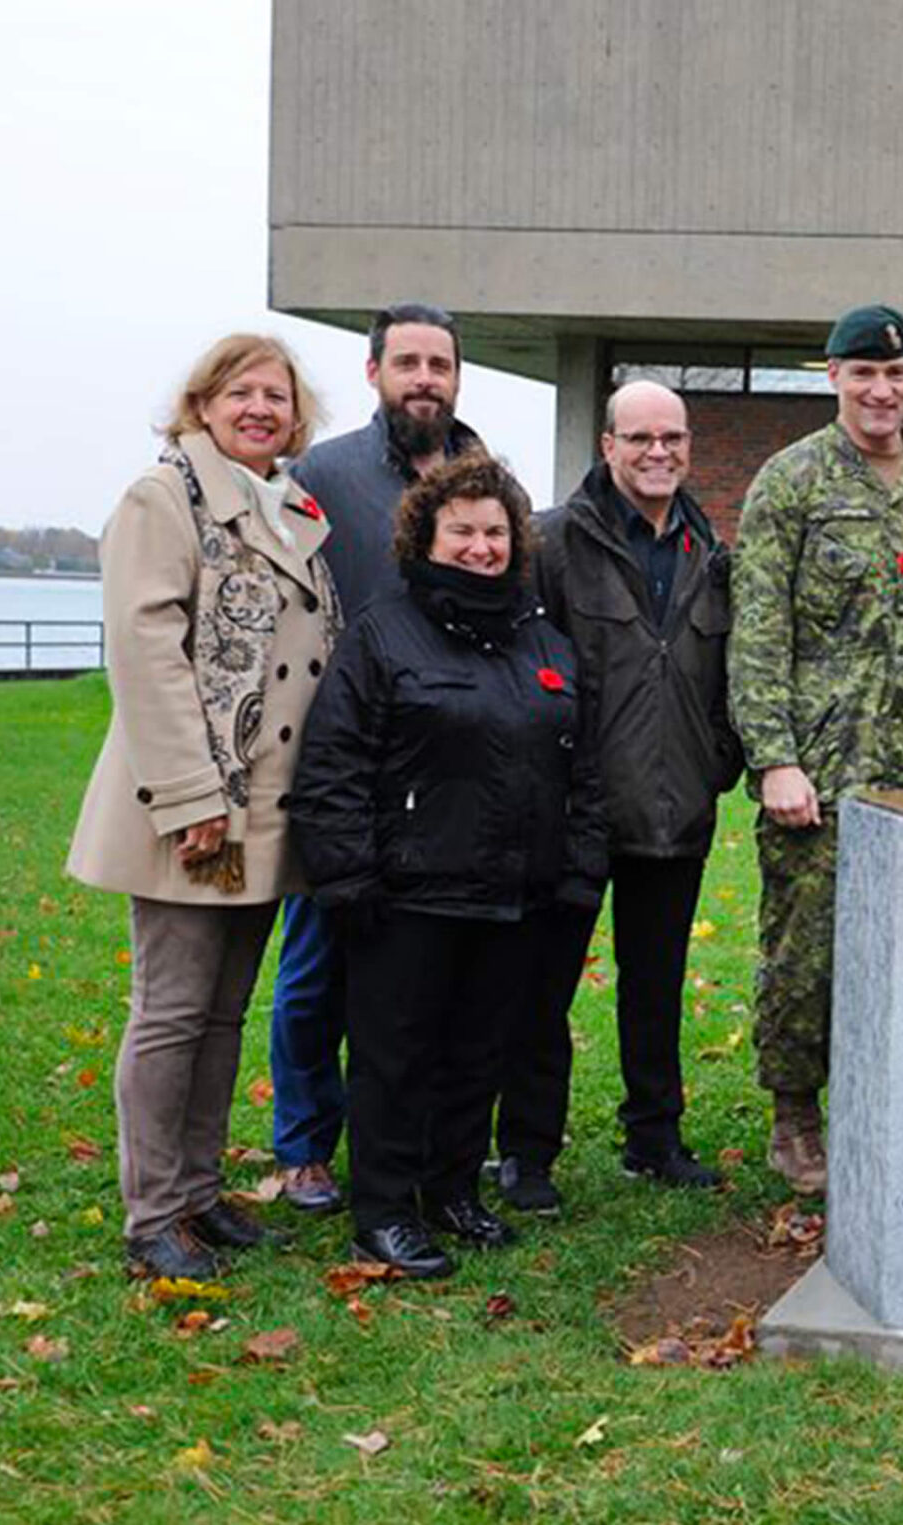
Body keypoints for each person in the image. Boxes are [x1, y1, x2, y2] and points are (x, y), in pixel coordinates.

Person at [290, 454, 607, 1277]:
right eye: (461, 529)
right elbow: (333, 765)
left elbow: (584, 767)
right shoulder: (383, 632)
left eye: (495, 530)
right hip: (408, 894)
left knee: (480, 1051)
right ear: (426, 535)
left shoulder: (542, 638)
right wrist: (348, 878)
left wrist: (576, 871)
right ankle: (386, 1209)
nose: (480, 546)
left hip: (516, 895)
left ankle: (453, 1188)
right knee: (397, 1057)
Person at [66, 333, 338, 1278]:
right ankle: (153, 1217)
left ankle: (197, 1194)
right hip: (190, 806)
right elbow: (144, 654)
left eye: (278, 396)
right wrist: (191, 798)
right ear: (203, 402)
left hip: (265, 807)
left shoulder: (291, 509)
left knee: (224, 1013)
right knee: (173, 1010)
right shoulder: (163, 499)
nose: (261, 408)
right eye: (242, 392)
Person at [729, 304, 903, 1195]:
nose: (881, 390)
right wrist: (773, 757)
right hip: (823, 773)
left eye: (897, 373)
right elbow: (757, 629)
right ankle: (796, 1119)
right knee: (806, 956)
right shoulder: (791, 481)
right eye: (862, 373)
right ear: (833, 376)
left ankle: (889, 1110)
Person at [266, 302, 484, 1216]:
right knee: (319, 964)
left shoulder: (482, 473)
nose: (425, 378)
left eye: (440, 363)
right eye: (409, 363)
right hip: (346, 757)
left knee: (415, 976)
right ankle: (305, 1144)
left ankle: (403, 1135)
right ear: (374, 373)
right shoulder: (323, 474)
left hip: (443, 765)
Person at [516, 381, 745, 1207]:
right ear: (607, 444)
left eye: (673, 438)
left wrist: (719, 755)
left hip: (675, 802)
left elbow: (724, 673)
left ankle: (654, 1136)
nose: (659, 452)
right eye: (641, 437)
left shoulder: (706, 548)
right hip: (573, 809)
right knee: (543, 987)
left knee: (658, 982)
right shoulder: (551, 542)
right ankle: (527, 1151)